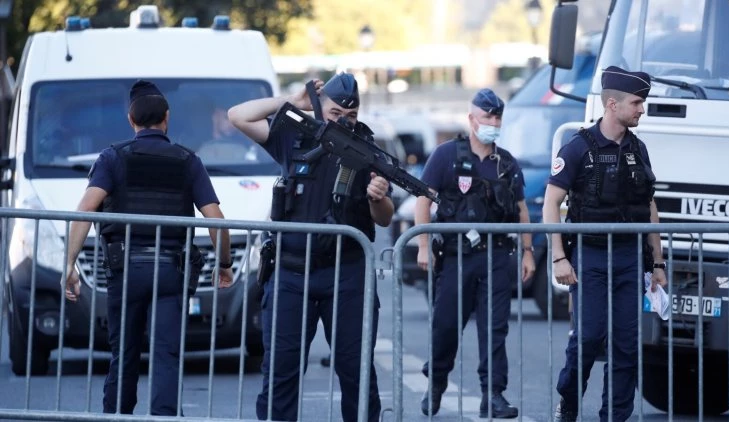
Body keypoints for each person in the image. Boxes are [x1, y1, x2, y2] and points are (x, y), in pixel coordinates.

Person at [63, 80, 234, 416]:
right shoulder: (188, 160)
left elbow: (85, 210)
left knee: (124, 354)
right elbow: (216, 218)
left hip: (125, 271)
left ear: (131, 120)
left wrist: (69, 264)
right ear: (166, 117)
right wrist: (224, 264)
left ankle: (118, 417)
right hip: (171, 271)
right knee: (167, 354)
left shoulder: (112, 158)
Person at [227, 72, 390, 422]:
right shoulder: (294, 134)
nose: (344, 121)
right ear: (319, 108)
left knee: (356, 371)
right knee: (281, 371)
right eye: (335, 113)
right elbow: (237, 116)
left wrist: (378, 198)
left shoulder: (367, 150)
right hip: (291, 272)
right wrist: (294, 102)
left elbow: (385, 218)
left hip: (347, 274)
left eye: (351, 115)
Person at [542, 66, 667, 422]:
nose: (642, 109)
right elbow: (551, 202)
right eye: (636, 103)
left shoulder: (638, 149)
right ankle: (568, 401)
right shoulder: (579, 147)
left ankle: (615, 415)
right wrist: (559, 257)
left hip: (629, 256)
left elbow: (649, 206)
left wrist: (658, 263)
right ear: (612, 104)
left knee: (627, 344)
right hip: (591, 255)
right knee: (588, 338)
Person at [415, 88, 536, 419]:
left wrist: (527, 252)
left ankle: (493, 394)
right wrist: (423, 245)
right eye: (487, 117)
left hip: (496, 256)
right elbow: (423, 201)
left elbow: (522, 210)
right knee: (445, 326)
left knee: (495, 329)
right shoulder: (446, 155)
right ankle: (437, 381)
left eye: (497, 117)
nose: (493, 123)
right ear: (471, 119)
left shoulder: (506, 163)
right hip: (456, 257)